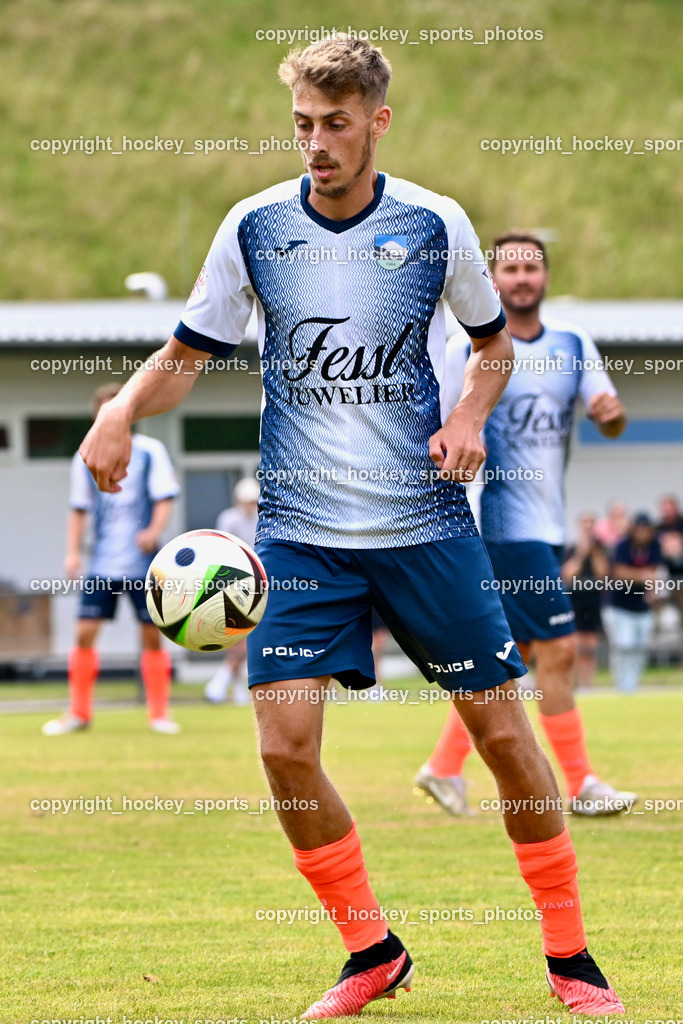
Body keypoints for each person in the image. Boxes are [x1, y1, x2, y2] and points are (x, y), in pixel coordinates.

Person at [77, 38, 624, 1016]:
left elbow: (492, 349)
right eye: (302, 125)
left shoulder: (433, 222)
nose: (316, 143)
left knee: (503, 736)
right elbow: (187, 352)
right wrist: (120, 408)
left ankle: (568, 955)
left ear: (377, 120)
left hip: (424, 527)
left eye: (335, 124)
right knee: (283, 748)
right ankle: (371, 950)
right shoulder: (253, 227)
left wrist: (467, 418)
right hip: (299, 535)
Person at [416, 233, 637, 820]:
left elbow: (610, 416)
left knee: (511, 654)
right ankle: (582, 784)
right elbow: (437, 427)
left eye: (530, 268)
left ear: (545, 277)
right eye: (510, 268)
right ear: (492, 280)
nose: (521, 278)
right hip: (501, 523)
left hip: (548, 523)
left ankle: (443, 766)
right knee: (559, 649)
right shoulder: (469, 348)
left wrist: (612, 417)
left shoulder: (572, 342)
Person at [42, 384, 181, 736]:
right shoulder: (85, 456)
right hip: (103, 562)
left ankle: (159, 715)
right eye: (104, 410)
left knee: (152, 635)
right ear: (96, 416)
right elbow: (79, 508)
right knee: (84, 633)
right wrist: (72, 552)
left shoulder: (151, 451)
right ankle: (79, 713)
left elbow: (165, 498)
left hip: (145, 563)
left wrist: (153, 530)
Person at [204, 475, 260, 704]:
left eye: (253, 501)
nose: (249, 505)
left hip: (258, 584)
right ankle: (229, 684)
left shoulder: (262, 519)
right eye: (246, 501)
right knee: (238, 637)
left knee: (247, 637)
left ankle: (226, 684)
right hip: (232, 584)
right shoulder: (228, 519)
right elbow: (224, 550)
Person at [607, 513, 663, 693]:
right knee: (624, 645)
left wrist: (648, 583)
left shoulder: (654, 546)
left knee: (640, 647)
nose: (643, 533)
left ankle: (632, 684)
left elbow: (655, 572)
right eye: (639, 529)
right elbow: (620, 572)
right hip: (621, 605)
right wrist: (643, 576)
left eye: (646, 530)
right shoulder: (623, 545)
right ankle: (621, 685)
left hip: (643, 606)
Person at [562, 513, 610, 688]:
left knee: (590, 647)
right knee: (575, 646)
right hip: (575, 601)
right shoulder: (571, 549)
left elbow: (602, 574)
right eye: (585, 522)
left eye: (591, 522)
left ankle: (588, 684)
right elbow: (567, 574)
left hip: (593, 601)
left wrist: (594, 552)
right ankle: (574, 683)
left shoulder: (601, 550)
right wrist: (581, 553)